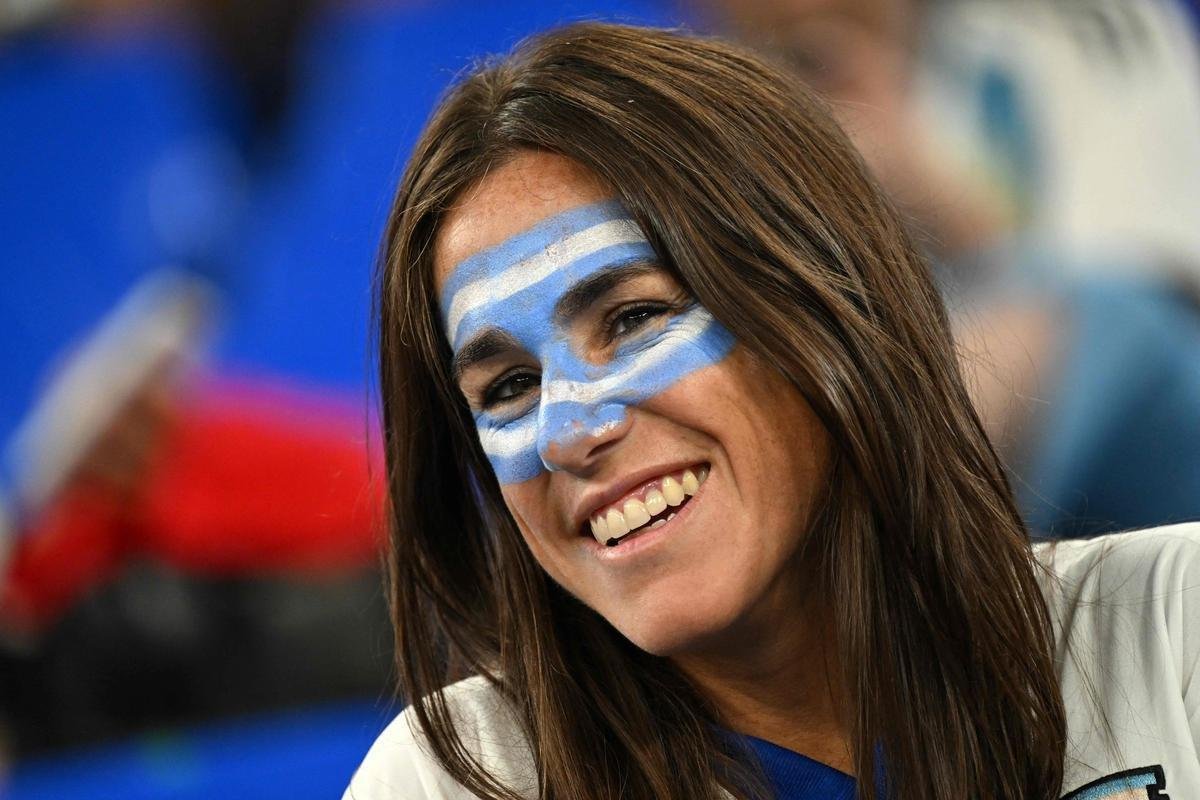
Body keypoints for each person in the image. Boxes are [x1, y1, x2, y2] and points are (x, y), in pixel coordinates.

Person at [344, 22, 1200, 800]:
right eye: (508, 388)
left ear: (829, 309)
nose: (569, 431)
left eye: (635, 317)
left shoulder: (1172, 631)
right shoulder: (453, 782)